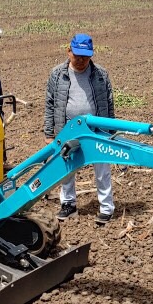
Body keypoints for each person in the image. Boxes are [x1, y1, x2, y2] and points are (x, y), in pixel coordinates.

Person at [45, 34, 116, 224]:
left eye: (86, 56)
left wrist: (111, 130)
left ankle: (106, 207)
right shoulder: (57, 74)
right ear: (69, 51)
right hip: (68, 128)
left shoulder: (100, 74)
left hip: (96, 128)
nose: (82, 60)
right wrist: (49, 133)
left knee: (102, 167)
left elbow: (108, 102)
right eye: (78, 56)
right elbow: (50, 104)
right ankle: (68, 204)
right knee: (67, 167)